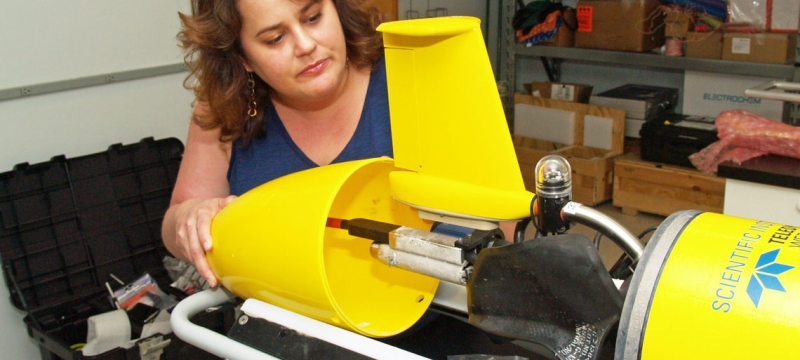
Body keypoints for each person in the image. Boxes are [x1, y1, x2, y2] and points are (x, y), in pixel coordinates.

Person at [162, 0, 390, 287]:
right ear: (242, 57)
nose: (305, 45)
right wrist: (189, 218)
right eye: (275, 39)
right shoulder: (224, 112)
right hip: (282, 321)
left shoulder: (406, 75)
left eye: (313, 17)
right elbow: (174, 224)